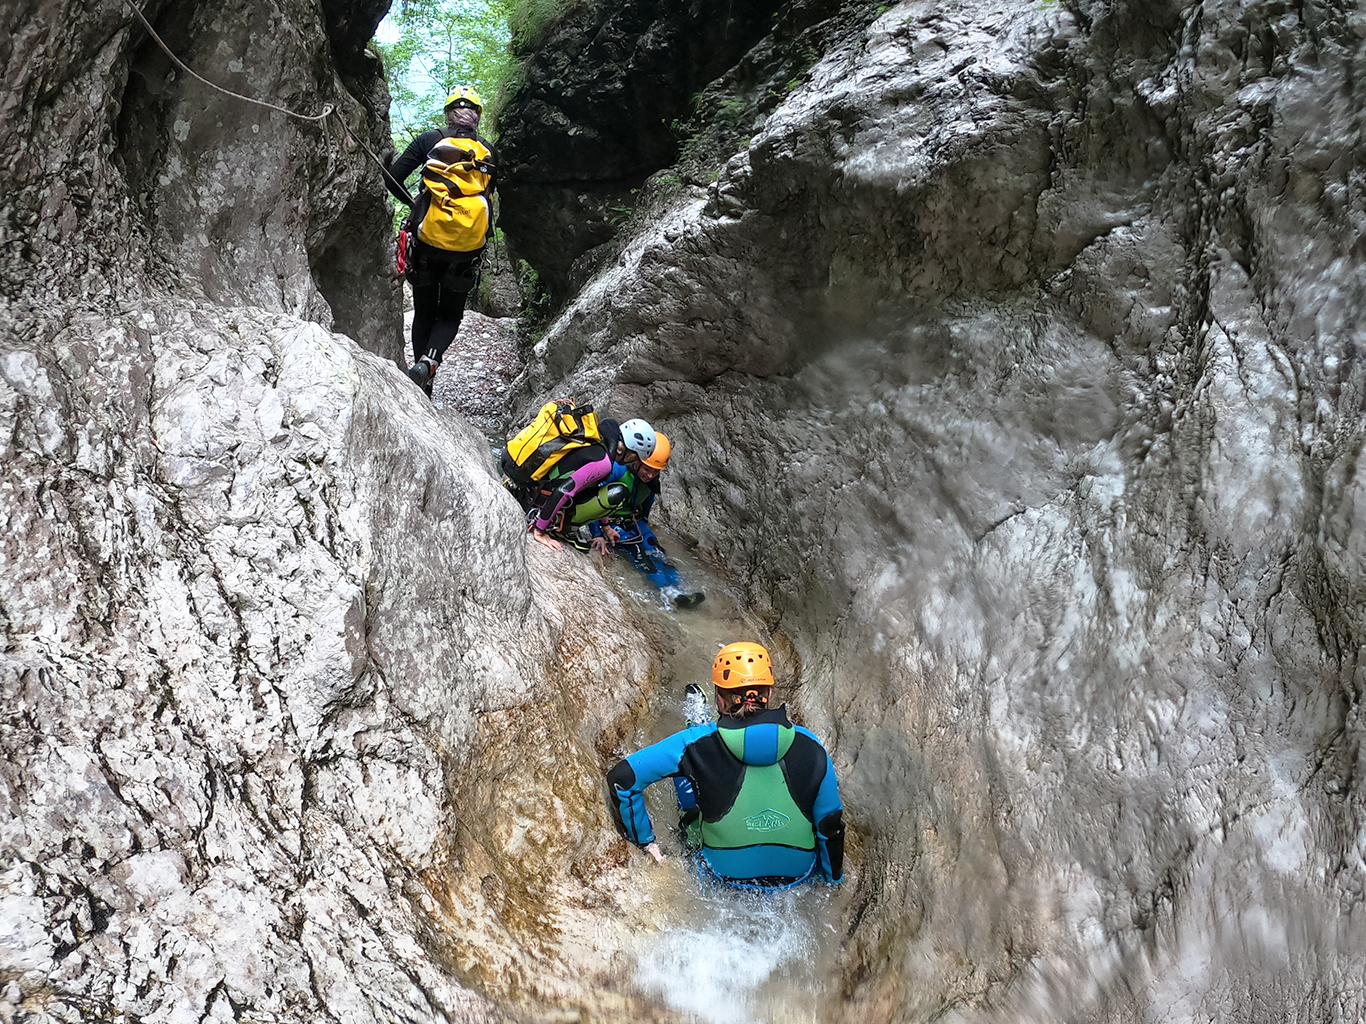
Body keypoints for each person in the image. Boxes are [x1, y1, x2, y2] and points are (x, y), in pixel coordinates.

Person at [605, 642, 845, 890]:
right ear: (769, 693)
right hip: (797, 875)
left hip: (722, 875)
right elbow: (831, 824)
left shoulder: (694, 745)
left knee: (690, 780)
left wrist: (646, 843)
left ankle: (697, 722)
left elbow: (622, 779)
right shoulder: (811, 744)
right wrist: (832, 880)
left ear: (720, 700)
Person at [383, 86, 496, 396]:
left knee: (424, 312)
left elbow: (393, 177)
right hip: (467, 250)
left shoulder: (429, 140)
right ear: (476, 116)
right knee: (449, 314)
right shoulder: (488, 152)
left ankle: (424, 388)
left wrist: (416, 205)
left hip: (427, 243)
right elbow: (488, 196)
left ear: (449, 114)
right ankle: (431, 361)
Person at [583, 431, 705, 609]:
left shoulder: (652, 477)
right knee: (638, 552)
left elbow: (649, 498)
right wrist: (598, 533)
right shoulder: (617, 469)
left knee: (656, 550)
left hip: (632, 520)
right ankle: (667, 593)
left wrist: (644, 518)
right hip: (609, 522)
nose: (650, 475)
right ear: (636, 460)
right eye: (647, 470)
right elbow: (594, 498)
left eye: (655, 472)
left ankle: (679, 589)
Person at [520, 417, 659, 551]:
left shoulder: (599, 440)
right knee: (619, 492)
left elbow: (591, 488)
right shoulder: (603, 463)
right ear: (623, 450)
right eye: (634, 457)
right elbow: (564, 491)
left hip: (533, 489)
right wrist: (540, 530)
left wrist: (606, 527)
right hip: (540, 502)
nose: (632, 462)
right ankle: (563, 528)